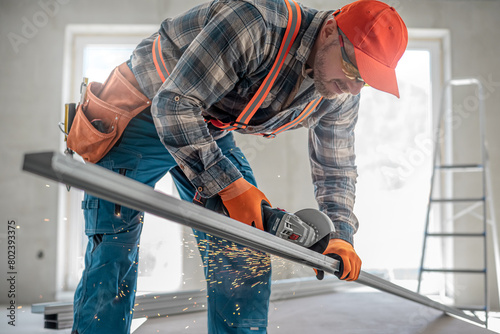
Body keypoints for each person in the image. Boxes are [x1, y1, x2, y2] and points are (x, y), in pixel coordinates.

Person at [69, 0, 408, 333]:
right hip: (142, 110)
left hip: (207, 126)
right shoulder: (256, 21)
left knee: (244, 249)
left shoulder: (342, 93)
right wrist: (231, 187)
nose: (352, 87)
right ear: (331, 29)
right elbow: (173, 106)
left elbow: (337, 168)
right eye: (351, 69)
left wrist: (341, 235)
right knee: (113, 250)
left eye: (365, 80)